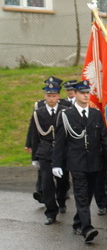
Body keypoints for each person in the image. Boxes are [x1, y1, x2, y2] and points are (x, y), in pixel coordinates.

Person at [52, 80, 107, 243]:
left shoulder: (95, 114)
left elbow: (104, 135)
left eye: (88, 92)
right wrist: (56, 164)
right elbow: (60, 142)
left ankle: (77, 222)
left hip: (94, 161)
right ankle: (87, 228)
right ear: (76, 94)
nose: (86, 95)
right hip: (76, 162)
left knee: (88, 194)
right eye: (82, 93)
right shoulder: (66, 115)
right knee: (81, 194)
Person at [28, 79, 67, 224]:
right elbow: (34, 135)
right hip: (45, 150)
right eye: (49, 95)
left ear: (58, 96)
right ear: (45, 96)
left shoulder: (65, 111)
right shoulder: (38, 113)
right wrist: (34, 157)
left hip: (62, 150)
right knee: (47, 182)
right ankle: (51, 212)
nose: (52, 98)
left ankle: (61, 200)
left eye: (54, 95)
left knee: (63, 180)